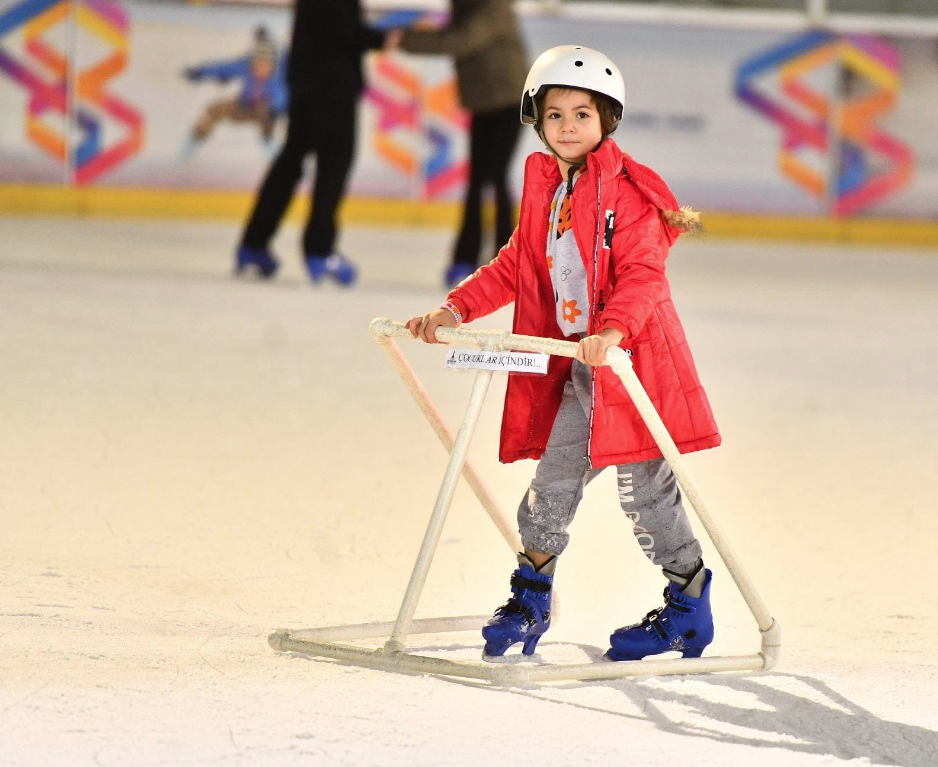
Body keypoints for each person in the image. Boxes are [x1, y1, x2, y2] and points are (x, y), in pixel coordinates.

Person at [406, 46, 721, 662]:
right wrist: (456, 309)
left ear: (607, 119)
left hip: (632, 370)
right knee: (550, 486)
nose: (568, 126)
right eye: (555, 115)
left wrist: (614, 333)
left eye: (582, 113)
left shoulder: (629, 193)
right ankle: (529, 601)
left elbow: (642, 273)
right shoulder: (551, 191)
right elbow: (517, 268)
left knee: (649, 499)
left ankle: (688, 607)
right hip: (584, 372)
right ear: (537, 120)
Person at [235, 1, 389, 283]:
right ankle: (320, 250)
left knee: (291, 160)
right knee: (333, 165)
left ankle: (254, 242)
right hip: (333, 85)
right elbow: (342, 29)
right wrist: (382, 38)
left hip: (305, 79)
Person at [389, 0, 526, 287]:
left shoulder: (492, 6)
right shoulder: (467, 5)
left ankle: (508, 258)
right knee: (478, 180)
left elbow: (461, 39)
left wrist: (403, 38)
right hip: (484, 104)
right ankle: (466, 257)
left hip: (509, 103)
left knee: (496, 177)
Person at [182, 26, 288, 158]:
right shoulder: (248, 64)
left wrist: (275, 108)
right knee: (215, 108)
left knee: (283, 116)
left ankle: (274, 147)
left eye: (265, 65)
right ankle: (192, 143)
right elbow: (225, 68)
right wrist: (199, 72)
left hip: (270, 111)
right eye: (257, 64)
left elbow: (283, 95)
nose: (260, 68)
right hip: (246, 106)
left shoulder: (282, 70)